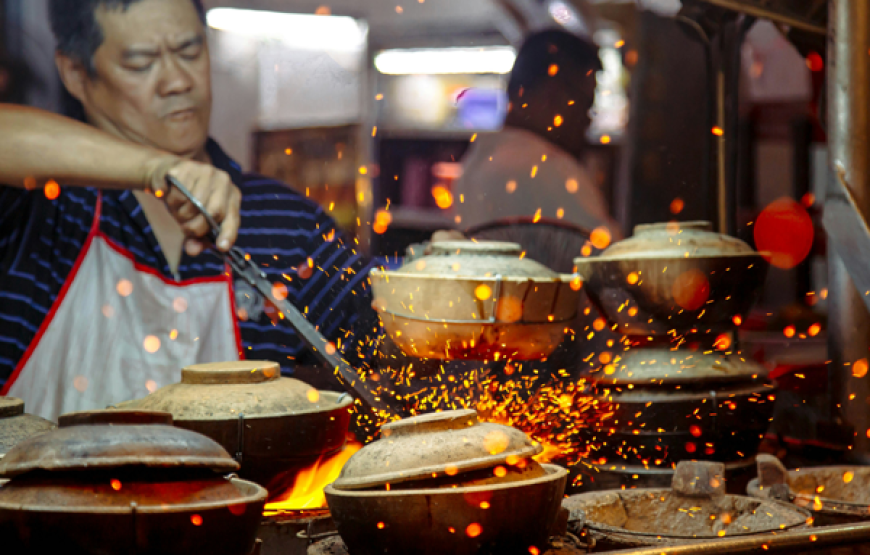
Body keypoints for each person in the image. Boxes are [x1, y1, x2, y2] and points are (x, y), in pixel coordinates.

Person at [0, 0, 378, 421]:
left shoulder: (286, 224)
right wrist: (157, 169)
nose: (177, 81)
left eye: (189, 52)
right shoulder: (37, 207)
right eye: (141, 63)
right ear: (75, 73)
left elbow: (383, 339)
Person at [452, 30, 619, 237]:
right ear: (554, 96)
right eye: (586, 104)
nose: (587, 120)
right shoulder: (554, 171)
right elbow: (612, 259)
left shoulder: (475, 163)